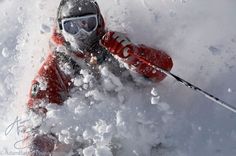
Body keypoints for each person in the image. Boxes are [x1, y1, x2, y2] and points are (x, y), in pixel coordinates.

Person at [26, 0, 173, 155]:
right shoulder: (56, 66)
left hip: (138, 133)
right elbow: (37, 116)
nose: (82, 34)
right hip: (87, 146)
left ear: (99, 22)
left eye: (88, 24)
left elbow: (164, 68)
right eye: (72, 27)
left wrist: (133, 56)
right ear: (61, 29)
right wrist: (39, 144)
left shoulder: (117, 46)